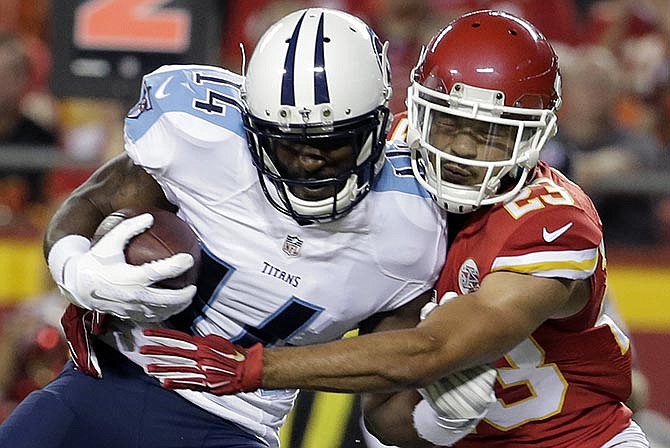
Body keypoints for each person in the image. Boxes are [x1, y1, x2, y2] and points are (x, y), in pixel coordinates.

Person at [136, 10, 650, 447]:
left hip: (577, 438)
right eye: (449, 123)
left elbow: (430, 350)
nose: (463, 151)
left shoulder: (553, 223)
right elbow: (382, 417)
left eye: (492, 133)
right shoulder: (375, 158)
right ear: (413, 108)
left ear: (537, 136)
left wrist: (256, 367)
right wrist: (439, 419)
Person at [0, 8, 449, 448]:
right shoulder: (200, 138)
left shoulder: (410, 229)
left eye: (331, 142)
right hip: (99, 386)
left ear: (376, 127)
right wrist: (77, 269)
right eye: (286, 142)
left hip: (233, 428)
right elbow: (91, 200)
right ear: (251, 124)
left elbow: (385, 412)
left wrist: (442, 418)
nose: (308, 160)